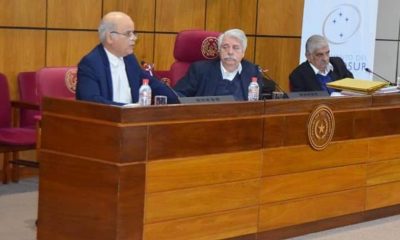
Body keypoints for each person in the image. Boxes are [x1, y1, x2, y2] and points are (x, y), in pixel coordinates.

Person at [76, 11, 179, 105]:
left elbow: (152, 83)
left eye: (134, 33)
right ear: (110, 37)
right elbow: (91, 101)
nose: (134, 38)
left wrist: (177, 101)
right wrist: (128, 109)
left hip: (132, 120)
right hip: (106, 122)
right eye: (128, 34)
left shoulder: (129, 59)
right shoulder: (91, 63)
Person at [173, 28, 275, 100]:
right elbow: (177, 95)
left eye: (236, 48)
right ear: (219, 50)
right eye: (225, 47)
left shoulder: (252, 71)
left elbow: (259, 105)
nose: (230, 52)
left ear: (243, 52)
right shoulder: (200, 70)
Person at [289, 34, 353, 93]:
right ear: (308, 56)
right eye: (320, 55)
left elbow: (353, 86)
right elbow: (300, 102)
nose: (325, 59)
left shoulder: (338, 63)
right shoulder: (298, 76)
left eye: (327, 53)